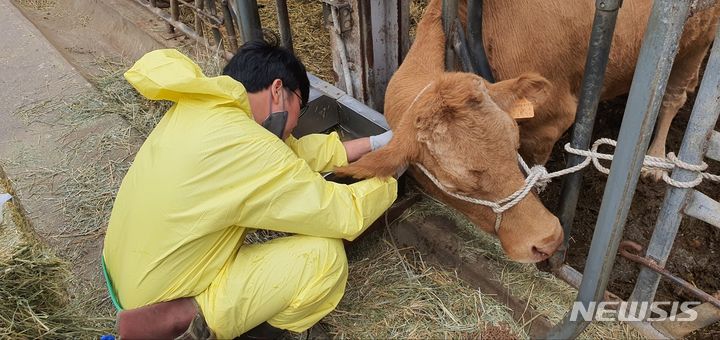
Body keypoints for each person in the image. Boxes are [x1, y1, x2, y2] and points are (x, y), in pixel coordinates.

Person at [102, 40, 398, 339]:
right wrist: (392, 168)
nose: (295, 125)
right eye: (301, 106)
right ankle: (196, 327)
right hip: (155, 305)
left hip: (128, 273)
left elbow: (290, 154)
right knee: (323, 258)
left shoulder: (208, 109)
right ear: (278, 90)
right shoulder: (249, 147)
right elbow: (343, 214)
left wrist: (375, 144)